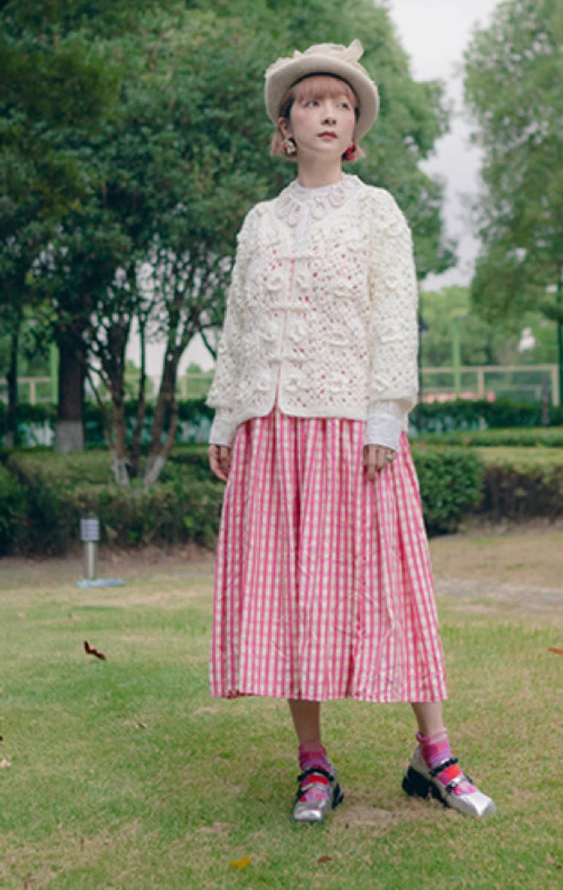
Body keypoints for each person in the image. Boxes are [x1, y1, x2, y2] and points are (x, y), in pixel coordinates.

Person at [207, 40, 495, 823]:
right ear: (285, 125)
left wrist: (384, 414)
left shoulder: (378, 212)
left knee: (396, 587)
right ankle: (313, 766)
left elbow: (395, 317)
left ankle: (434, 754)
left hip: (353, 426)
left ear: (355, 123)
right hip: (272, 430)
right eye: (310, 101)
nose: (327, 111)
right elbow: (240, 324)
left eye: (341, 102)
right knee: (290, 596)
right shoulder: (261, 222)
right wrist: (226, 414)